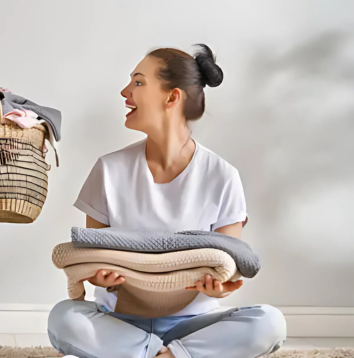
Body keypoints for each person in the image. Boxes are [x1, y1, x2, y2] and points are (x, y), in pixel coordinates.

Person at [47, 45, 287, 358]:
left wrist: (220, 285)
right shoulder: (109, 169)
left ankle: (168, 353)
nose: (125, 91)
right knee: (64, 318)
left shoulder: (221, 175)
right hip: (120, 321)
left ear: (172, 97)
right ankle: (168, 355)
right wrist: (97, 276)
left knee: (269, 323)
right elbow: (93, 254)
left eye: (138, 82)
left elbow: (229, 262)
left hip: (194, 323)